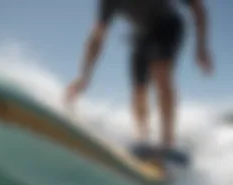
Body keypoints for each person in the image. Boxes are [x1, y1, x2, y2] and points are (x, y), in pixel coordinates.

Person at [65, 0, 213, 153]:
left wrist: (201, 47)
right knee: (138, 91)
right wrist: (84, 77)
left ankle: (167, 142)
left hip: (168, 25)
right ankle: (142, 139)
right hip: (141, 34)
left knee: (160, 72)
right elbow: (97, 36)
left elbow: (198, 7)